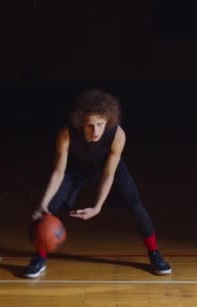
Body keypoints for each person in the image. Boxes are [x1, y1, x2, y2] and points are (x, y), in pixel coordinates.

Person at [23, 89, 172, 278]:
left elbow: (108, 174)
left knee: (136, 205)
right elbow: (59, 171)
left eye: (100, 124)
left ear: (107, 120)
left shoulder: (117, 135)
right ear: (80, 123)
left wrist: (97, 206)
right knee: (49, 208)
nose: (96, 131)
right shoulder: (66, 134)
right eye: (90, 126)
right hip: (74, 170)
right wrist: (43, 202)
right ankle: (40, 257)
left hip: (108, 168)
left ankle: (154, 253)